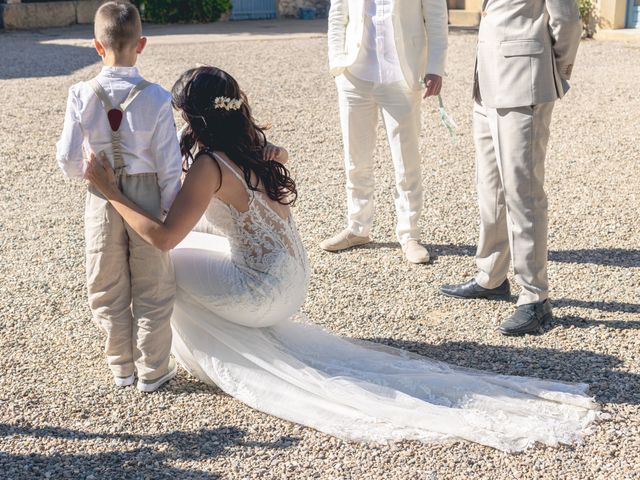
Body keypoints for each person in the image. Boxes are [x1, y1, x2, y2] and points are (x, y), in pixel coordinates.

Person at [85, 66, 599, 452]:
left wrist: (111, 191)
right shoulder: (254, 147)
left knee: (161, 264)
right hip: (290, 278)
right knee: (195, 250)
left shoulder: (209, 168)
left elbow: (163, 237)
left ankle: (152, 362)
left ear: (196, 118)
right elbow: (278, 155)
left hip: (259, 293)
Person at [56, 1, 182, 391]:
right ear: (141, 44)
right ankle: (153, 370)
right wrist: (165, 208)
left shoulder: (80, 93)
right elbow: (170, 164)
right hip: (146, 194)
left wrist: (91, 175)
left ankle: (121, 367)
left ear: (97, 46)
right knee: (153, 286)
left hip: (102, 191)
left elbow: (66, 156)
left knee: (106, 282)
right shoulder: (158, 97)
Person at [440, 0, 583, 335]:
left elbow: (567, 20)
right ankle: (491, 275)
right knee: (490, 189)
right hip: (487, 82)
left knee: (523, 193)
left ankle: (535, 298)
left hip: (524, 81)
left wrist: (554, 70)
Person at [321, 0, 448, 263]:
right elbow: (338, 15)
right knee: (356, 160)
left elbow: (436, 17)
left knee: (406, 161)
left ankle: (409, 234)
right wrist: (337, 63)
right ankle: (357, 227)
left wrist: (435, 67)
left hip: (402, 76)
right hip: (354, 74)